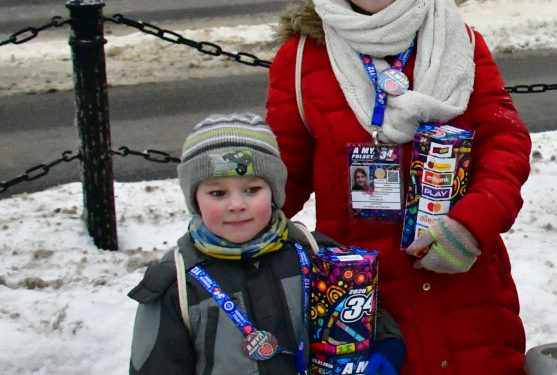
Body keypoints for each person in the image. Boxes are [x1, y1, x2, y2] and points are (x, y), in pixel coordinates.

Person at [266, 0, 532, 375]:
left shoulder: (457, 39)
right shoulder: (300, 60)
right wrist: (238, 226)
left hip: (462, 278)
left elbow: (504, 141)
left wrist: (471, 226)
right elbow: (285, 175)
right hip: (360, 295)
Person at [127, 114, 407, 375]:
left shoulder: (315, 255)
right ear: (195, 199)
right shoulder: (176, 284)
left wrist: (385, 348)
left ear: (274, 191)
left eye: (252, 189)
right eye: (217, 192)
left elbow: (367, 318)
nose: (237, 205)